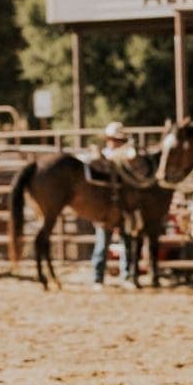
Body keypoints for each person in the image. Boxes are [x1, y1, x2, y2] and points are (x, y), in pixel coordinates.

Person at [89, 120, 138, 286]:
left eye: (118, 140)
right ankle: (98, 277)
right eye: (113, 139)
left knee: (126, 242)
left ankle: (126, 276)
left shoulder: (126, 158)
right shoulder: (102, 159)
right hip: (107, 208)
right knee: (102, 244)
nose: (115, 142)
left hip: (124, 207)